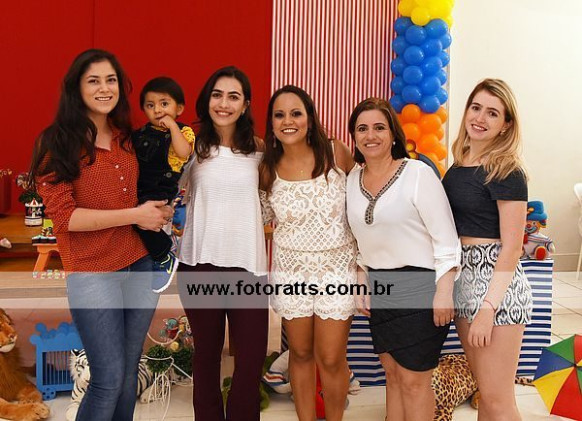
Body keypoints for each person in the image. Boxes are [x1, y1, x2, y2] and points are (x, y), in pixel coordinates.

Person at [29, 49, 172, 421]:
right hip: (92, 272)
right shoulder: (56, 143)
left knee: (127, 376)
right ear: (76, 88)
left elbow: (140, 192)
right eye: (93, 81)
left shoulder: (128, 137)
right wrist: (135, 215)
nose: (104, 88)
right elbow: (65, 218)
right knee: (107, 379)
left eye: (111, 80)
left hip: (140, 264)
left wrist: (157, 209)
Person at [345, 97, 460, 421]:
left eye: (379, 127)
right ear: (354, 136)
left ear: (393, 133)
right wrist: (361, 277)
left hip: (421, 286)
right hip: (382, 287)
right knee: (392, 375)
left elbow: (447, 239)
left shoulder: (418, 173)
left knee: (413, 382)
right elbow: (359, 238)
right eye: (362, 128)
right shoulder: (352, 178)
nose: (371, 135)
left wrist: (444, 292)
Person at [177, 66, 268, 421]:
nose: (224, 104)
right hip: (200, 263)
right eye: (217, 95)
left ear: (245, 105)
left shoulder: (259, 150)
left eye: (233, 97)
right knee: (206, 356)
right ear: (207, 100)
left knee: (251, 358)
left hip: (248, 266)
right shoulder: (191, 148)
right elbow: (166, 189)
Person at [260, 85, 356, 421]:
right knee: (299, 353)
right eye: (279, 115)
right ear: (271, 123)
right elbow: (262, 220)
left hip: (337, 268)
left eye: (296, 113)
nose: (288, 121)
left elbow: (363, 202)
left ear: (310, 119)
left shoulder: (336, 153)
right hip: (291, 269)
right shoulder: (267, 168)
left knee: (330, 357)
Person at [442, 78, 532, 421]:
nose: (480, 118)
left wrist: (488, 308)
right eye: (476, 108)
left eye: (492, 113)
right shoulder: (459, 165)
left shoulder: (507, 170)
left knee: (499, 401)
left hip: (496, 288)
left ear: (506, 124)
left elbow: (512, 248)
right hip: (465, 282)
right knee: (486, 394)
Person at [132, 76, 195, 293]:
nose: (157, 110)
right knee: (133, 218)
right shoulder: (139, 134)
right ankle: (156, 252)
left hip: (161, 186)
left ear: (179, 109)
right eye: (150, 105)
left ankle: (164, 255)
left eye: (164, 104)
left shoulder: (183, 131)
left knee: (142, 219)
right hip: (140, 185)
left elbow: (183, 152)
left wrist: (173, 127)